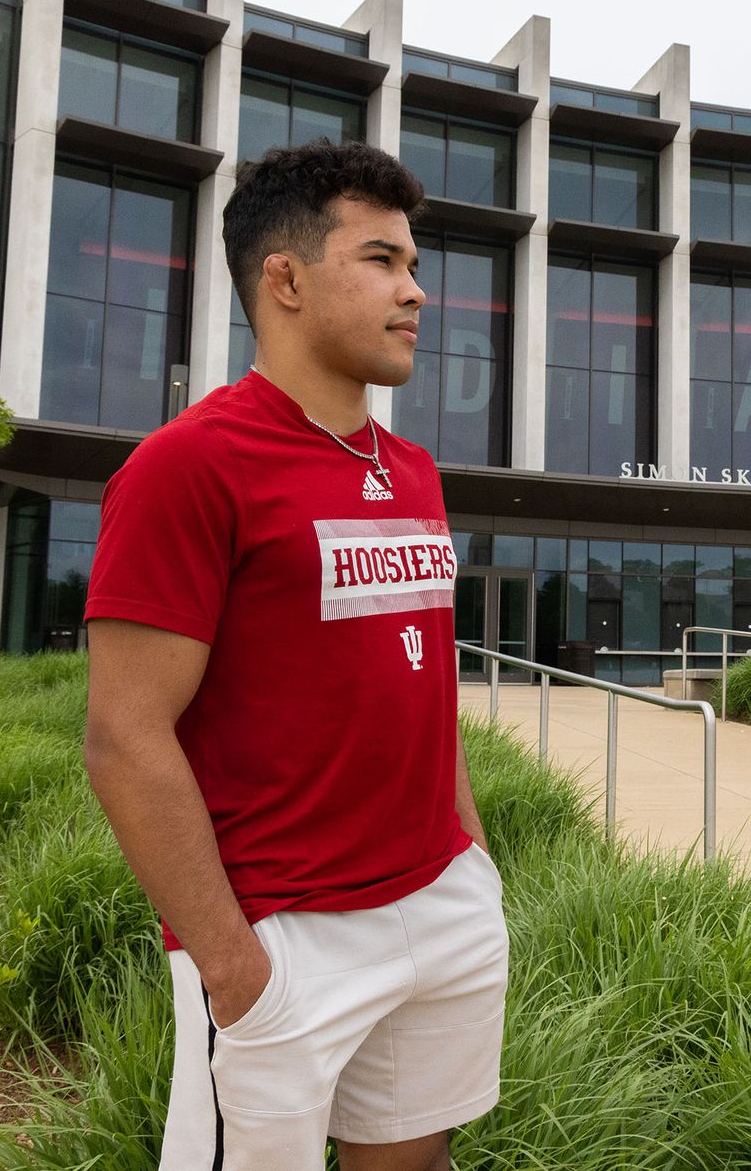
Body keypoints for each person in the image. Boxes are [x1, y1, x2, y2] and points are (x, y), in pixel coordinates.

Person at [83, 140, 505, 1171]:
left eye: (412, 264)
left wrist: (474, 863)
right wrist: (232, 965)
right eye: (381, 261)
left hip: (437, 900)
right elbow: (123, 735)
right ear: (283, 278)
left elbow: (423, 684)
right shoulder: (186, 466)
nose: (416, 291)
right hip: (282, 934)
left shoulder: (411, 472)